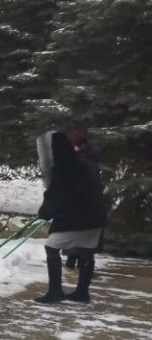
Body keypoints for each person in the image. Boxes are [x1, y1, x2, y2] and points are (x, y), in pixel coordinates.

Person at [34, 131, 106, 304]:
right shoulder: (89, 162)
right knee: (86, 252)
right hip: (95, 217)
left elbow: (58, 194)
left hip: (77, 219)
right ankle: (82, 293)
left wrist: (45, 212)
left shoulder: (66, 167)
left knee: (51, 247)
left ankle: (55, 291)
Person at [63, 129, 103, 271]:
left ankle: (82, 270)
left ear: (80, 146)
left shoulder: (85, 162)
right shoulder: (83, 159)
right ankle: (71, 266)